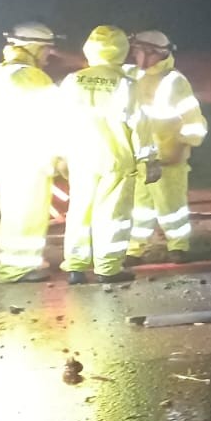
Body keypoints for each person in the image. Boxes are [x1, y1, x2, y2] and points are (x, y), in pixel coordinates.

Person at [60, 25, 154, 284]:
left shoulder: (72, 80)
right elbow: (140, 125)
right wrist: (149, 158)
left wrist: (60, 155)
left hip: (80, 157)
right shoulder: (126, 84)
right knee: (112, 215)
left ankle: (75, 267)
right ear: (122, 51)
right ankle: (108, 268)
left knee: (79, 210)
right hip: (115, 158)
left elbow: (59, 121)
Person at [0, 22, 59, 282]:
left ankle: (20, 264)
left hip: (4, 157)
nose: (49, 55)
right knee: (28, 214)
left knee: (15, 213)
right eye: (47, 49)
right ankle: (19, 268)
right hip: (29, 158)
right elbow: (57, 119)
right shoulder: (33, 77)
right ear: (34, 48)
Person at [125, 30, 207, 263]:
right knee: (139, 207)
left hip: (168, 159)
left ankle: (178, 247)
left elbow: (194, 123)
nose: (134, 56)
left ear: (153, 53)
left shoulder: (175, 81)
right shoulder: (135, 75)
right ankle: (134, 249)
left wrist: (180, 147)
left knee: (172, 206)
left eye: (138, 51)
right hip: (142, 158)